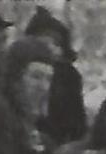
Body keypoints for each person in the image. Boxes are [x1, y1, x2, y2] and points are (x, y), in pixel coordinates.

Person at [24, 5, 86, 145]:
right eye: (43, 43)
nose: (50, 49)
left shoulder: (69, 77)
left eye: (56, 44)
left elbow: (78, 125)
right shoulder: (17, 72)